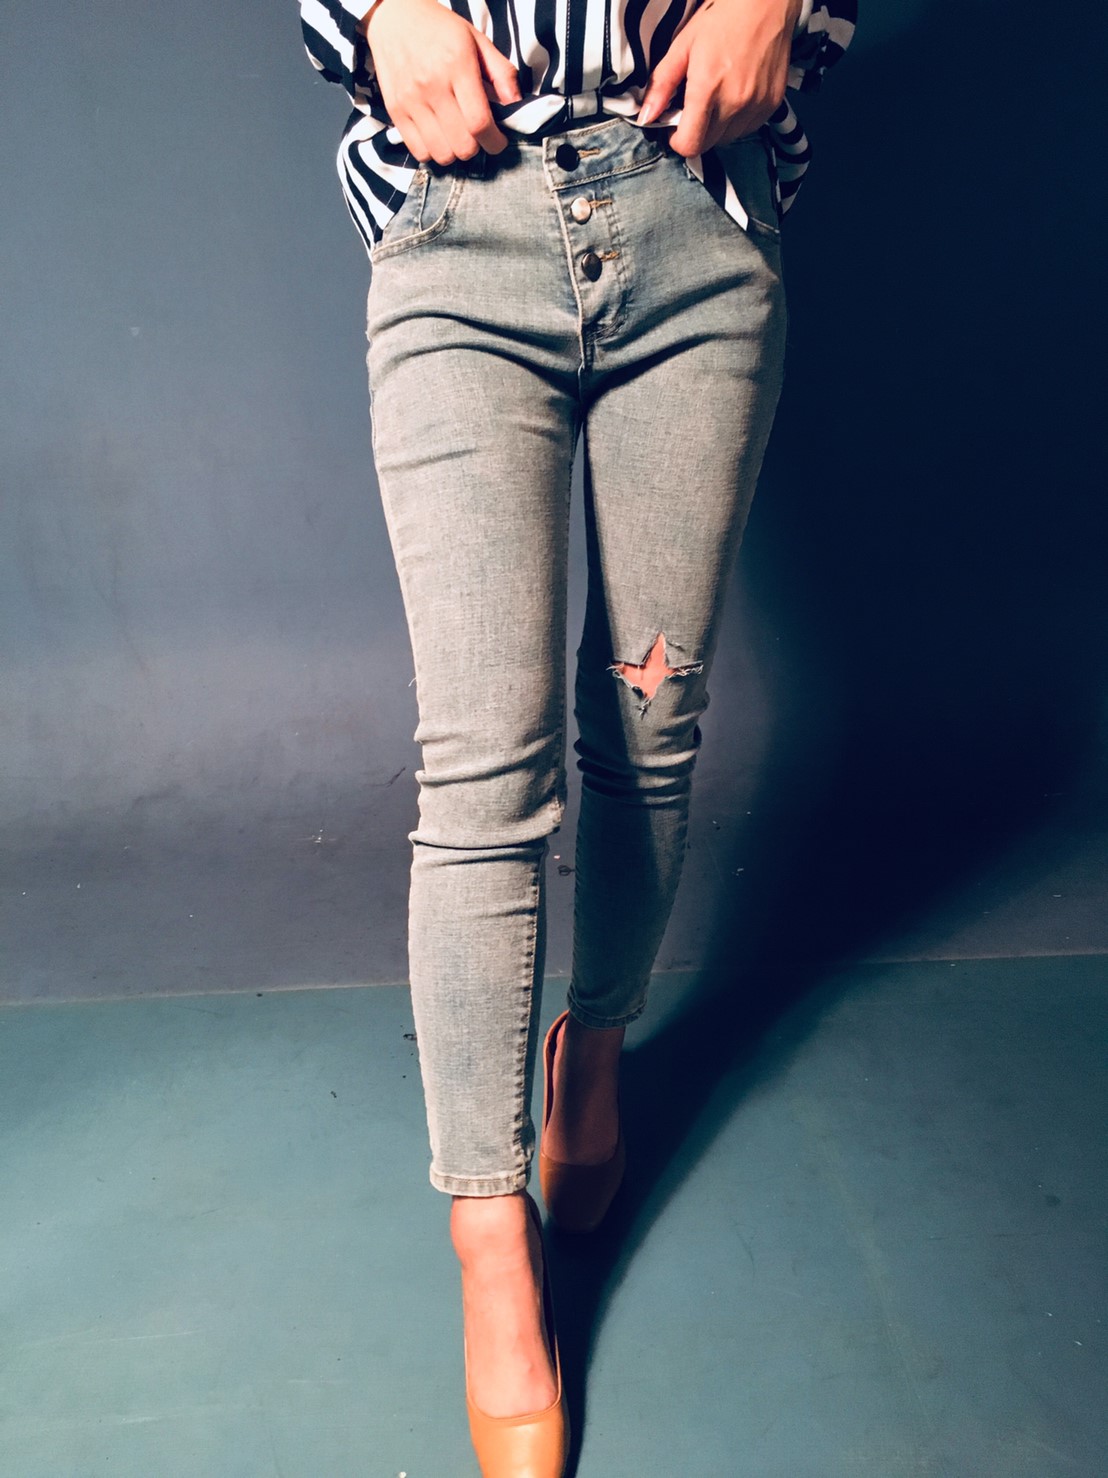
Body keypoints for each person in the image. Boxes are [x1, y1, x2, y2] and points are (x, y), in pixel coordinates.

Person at [297, 1, 856, 1471]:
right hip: (463, 217)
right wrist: (379, 12)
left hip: (694, 214)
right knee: (486, 766)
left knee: (649, 729)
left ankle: (591, 1055)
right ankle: (492, 1243)